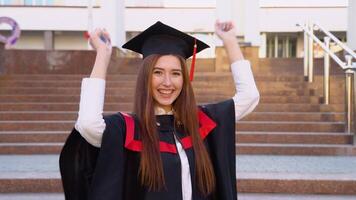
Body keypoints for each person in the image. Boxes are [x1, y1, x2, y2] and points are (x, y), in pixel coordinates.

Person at [59, 20, 259, 200]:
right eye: (158, 72)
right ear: (146, 77)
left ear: (184, 78)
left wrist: (230, 41)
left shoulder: (199, 121)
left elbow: (249, 97)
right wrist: (103, 55)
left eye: (175, 73)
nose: (167, 83)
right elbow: (87, 124)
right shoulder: (128, 129)